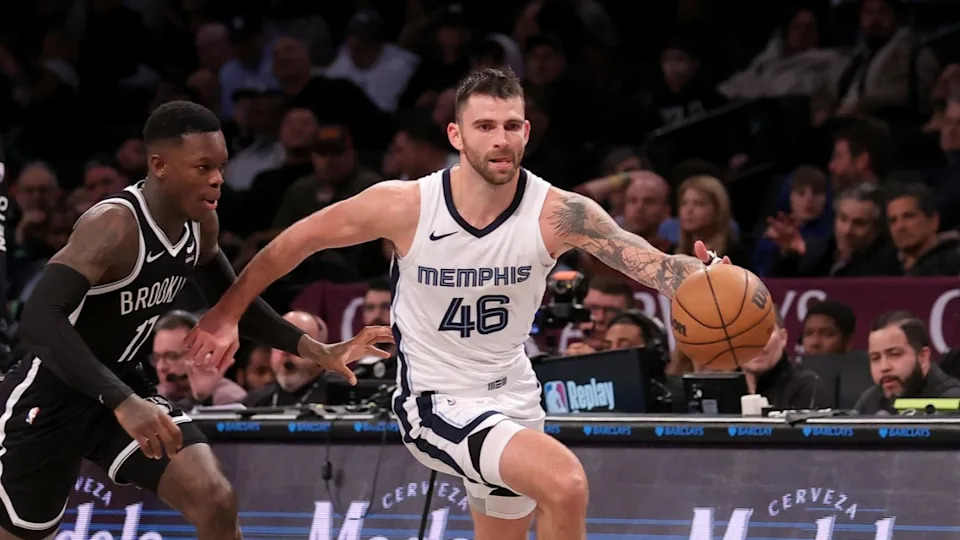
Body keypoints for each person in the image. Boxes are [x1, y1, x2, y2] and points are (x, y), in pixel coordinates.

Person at [187, 68, 773, 540]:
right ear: (456, 135)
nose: (500, 138)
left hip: (514, 395)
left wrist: (702, 277)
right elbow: (293, 243)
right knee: (565, 484)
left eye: (512, 125)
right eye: (485, 125)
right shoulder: (406, 205)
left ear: (526, 132)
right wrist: (225, 313)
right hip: (435, 400)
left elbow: (648, 262)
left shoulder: (558, 212)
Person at [1, 101, 392, 540]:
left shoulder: (201, 224)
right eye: (203, 166)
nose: (218, 179)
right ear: (159, 165)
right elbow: (38, 319)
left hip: (124, 385)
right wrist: (120, 400)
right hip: (53, 393)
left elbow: (234, 304)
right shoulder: (112, 226)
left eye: (221, 166)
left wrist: (316, 349)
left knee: (215, 499)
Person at [855, 311, 960, 414]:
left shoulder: (953, 400)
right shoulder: (869, 401)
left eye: (894, 354)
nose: (884, 367)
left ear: (923, 356)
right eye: (875, 358)